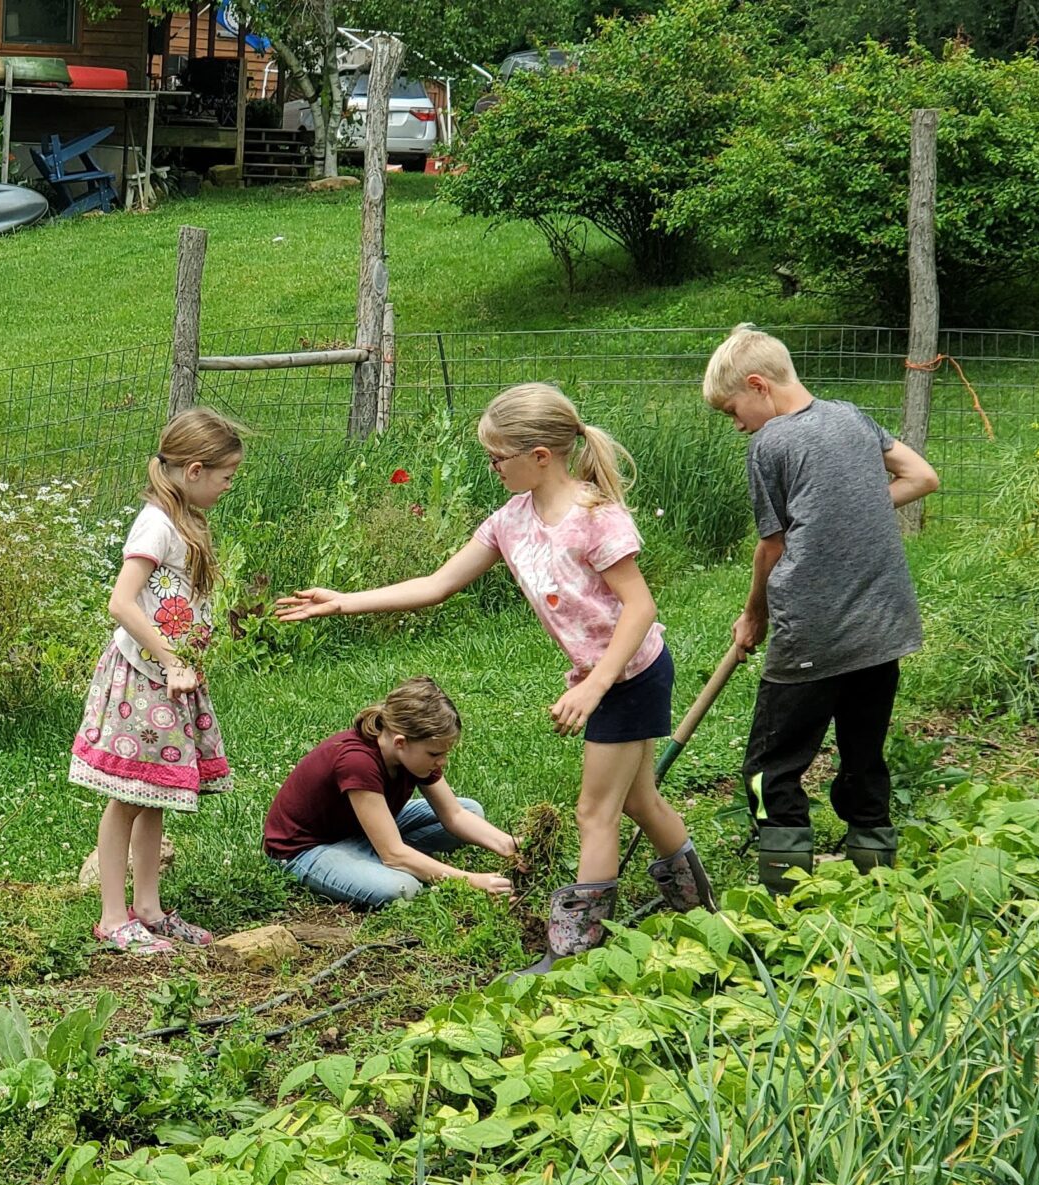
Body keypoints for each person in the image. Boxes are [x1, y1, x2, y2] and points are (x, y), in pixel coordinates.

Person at [277, 383, 713, 964]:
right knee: (639, 802)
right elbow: (437, 584)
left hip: (629, 674)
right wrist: (345, 602)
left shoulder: (594, 519)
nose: (492, 467)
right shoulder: (511, 520)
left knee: (595, 812)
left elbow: (641, 608)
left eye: (498, 457)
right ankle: (701, 909)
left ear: (541, 456)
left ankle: (577, 949)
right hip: (604, 677)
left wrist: (594, 684)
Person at [703, 323, 940, 892]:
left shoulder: (771, 443)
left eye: (733, 411)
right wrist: (849, 511)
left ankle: (786, 892)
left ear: (758, 386)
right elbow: (922, 476)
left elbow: (772, 546)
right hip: (883, 627)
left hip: (813, 633)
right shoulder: (853, 417)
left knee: (769, 767)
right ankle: (876, 874)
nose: (736, 426)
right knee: (864, 755)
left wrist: (754, 614)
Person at [68, 407, 244, 956]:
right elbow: (121, 602)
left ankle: (148, 908)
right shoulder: (156, 523)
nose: (227, 486)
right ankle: (112, 916)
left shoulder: (185, 518)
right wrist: (171, 659)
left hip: (171, 679)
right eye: (225, 476)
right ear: (193, 470)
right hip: (145, 677)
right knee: (126, 796)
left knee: (154, 792)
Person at [262, 677, 516, 907]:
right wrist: (472, 881)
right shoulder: (357, 761)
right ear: (400, 743)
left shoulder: (412, 757)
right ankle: (367, 860)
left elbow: (455, 815)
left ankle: (371, 857)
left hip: (358, 831)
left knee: (473, 810)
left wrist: (509, 845)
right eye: (435, 754)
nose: (442, 762)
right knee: (402, 887)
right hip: (307, 849)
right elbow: (393, 854)